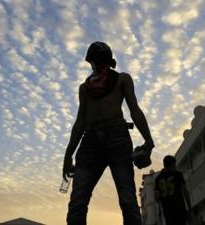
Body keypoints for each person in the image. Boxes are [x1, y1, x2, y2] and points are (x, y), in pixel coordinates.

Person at [63, 41, 155, 225]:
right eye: (93, 61)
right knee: (77, 203)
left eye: (97, 60)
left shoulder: (122, 79)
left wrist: (149, 141)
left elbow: (134, 110)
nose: (95, 65)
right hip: (89, 142)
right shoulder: (85, 88)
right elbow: (80, 121)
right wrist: (68, 155)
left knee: (127, 199)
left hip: (117, 138)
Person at [155, 155, 191, 225]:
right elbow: (185, 191)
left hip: (168, 212)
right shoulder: (178, 174)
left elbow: (156, 197)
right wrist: (189, 207)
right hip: (179, 210)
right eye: (174, 164)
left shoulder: (158, 179)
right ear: (172, 164)